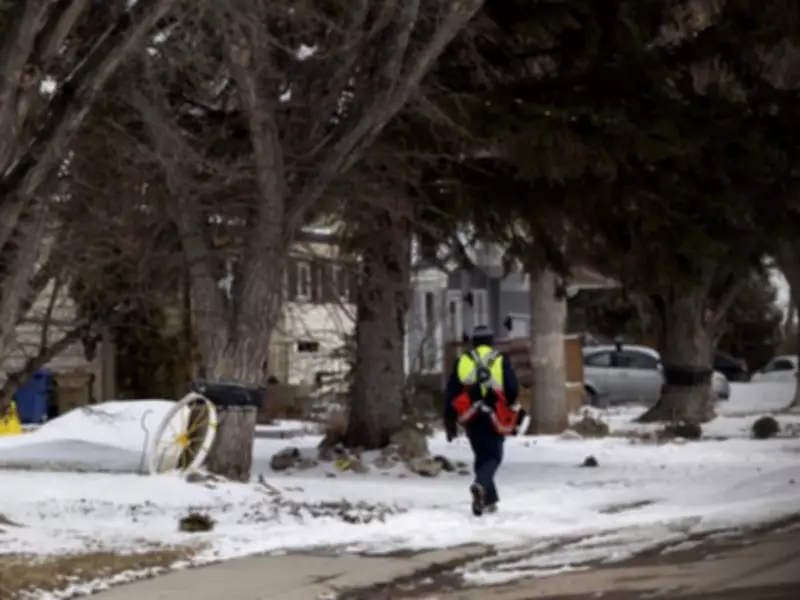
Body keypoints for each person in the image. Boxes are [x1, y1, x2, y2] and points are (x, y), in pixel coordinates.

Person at [444, 325, 527, 516]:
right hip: (494, 414)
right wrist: (513, 409)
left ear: (473, 342)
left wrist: (449, 420)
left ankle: (488, 500)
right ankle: (480, 485)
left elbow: (451, 393)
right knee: (493, 457)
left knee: (481, 457)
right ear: (491, 341)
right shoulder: (500, 360)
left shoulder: (462, 361)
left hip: (470, 417)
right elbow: (512, 389)